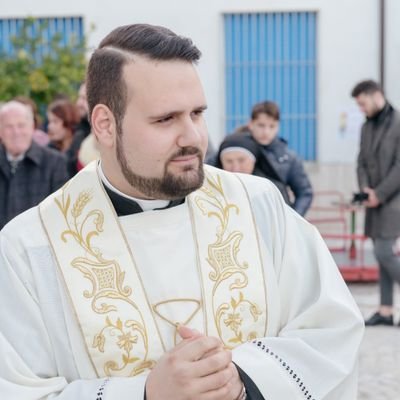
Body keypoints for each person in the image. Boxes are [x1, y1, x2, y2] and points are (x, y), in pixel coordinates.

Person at [0, 24, 364, 399]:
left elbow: (331, 329)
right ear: (105, 126)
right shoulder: (30, 248)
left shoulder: (258, 205)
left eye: (197, 113)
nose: (192, 137)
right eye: (165, 119)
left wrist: (243, 378)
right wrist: (144, 393)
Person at [352, 79, 400, 326]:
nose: (361, 109)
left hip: (393, 202)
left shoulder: (398, 122)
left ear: (376, 95)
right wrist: (365, 189)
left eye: (362, 103)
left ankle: (387, 308)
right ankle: (386, 310)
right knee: (382, 257)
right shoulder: (366, 127)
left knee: (384, 252)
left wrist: (379, 194)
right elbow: (360, 161)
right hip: (373, 201)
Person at [0, 101, 68, 229]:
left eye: (21, 125)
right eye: (9, 126)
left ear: (32, 127)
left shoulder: (55, 162)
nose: (16, 132)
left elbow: (60, 216)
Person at [238, 101, 313, 217]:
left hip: (275, 220)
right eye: (261, 125)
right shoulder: (235, 149)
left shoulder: (288, 158)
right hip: (241, 217)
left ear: (278, 126)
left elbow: (304, 193)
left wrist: (292, 220)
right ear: (251, 124)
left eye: (272, 126)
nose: (266, 131)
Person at [47, 98, 82, 177]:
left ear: (68, 121)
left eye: (55, 121)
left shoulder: (81, 144)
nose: (49, 126)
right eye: (49, 121)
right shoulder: (50, 148)